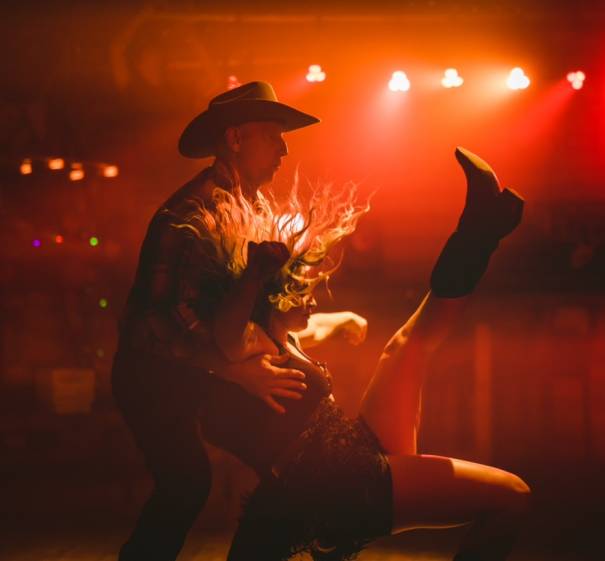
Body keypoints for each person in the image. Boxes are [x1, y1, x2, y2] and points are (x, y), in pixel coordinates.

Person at [180, 140, 530, 561]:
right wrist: (254, 275)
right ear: (275, 297)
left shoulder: (284, 339)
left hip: (351, 454)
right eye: (305, 292)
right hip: (347, 480)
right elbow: (230, 333)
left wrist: (343, 318)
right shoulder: (249, 343)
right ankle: (479, 229)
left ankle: (478, 230)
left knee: (407, 344)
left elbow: (319, 325)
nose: (314, 302)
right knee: (513, 494)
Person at [112, 81, 365, 561]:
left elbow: (247, 310)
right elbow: (162, 324)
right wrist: (231, 369)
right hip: (152, 375)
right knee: (186, 482)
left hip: (201, 371)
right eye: (272, 136)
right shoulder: (189, 212)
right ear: (234, 139)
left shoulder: (255, 206)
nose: (284, 149)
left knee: (280, 463)